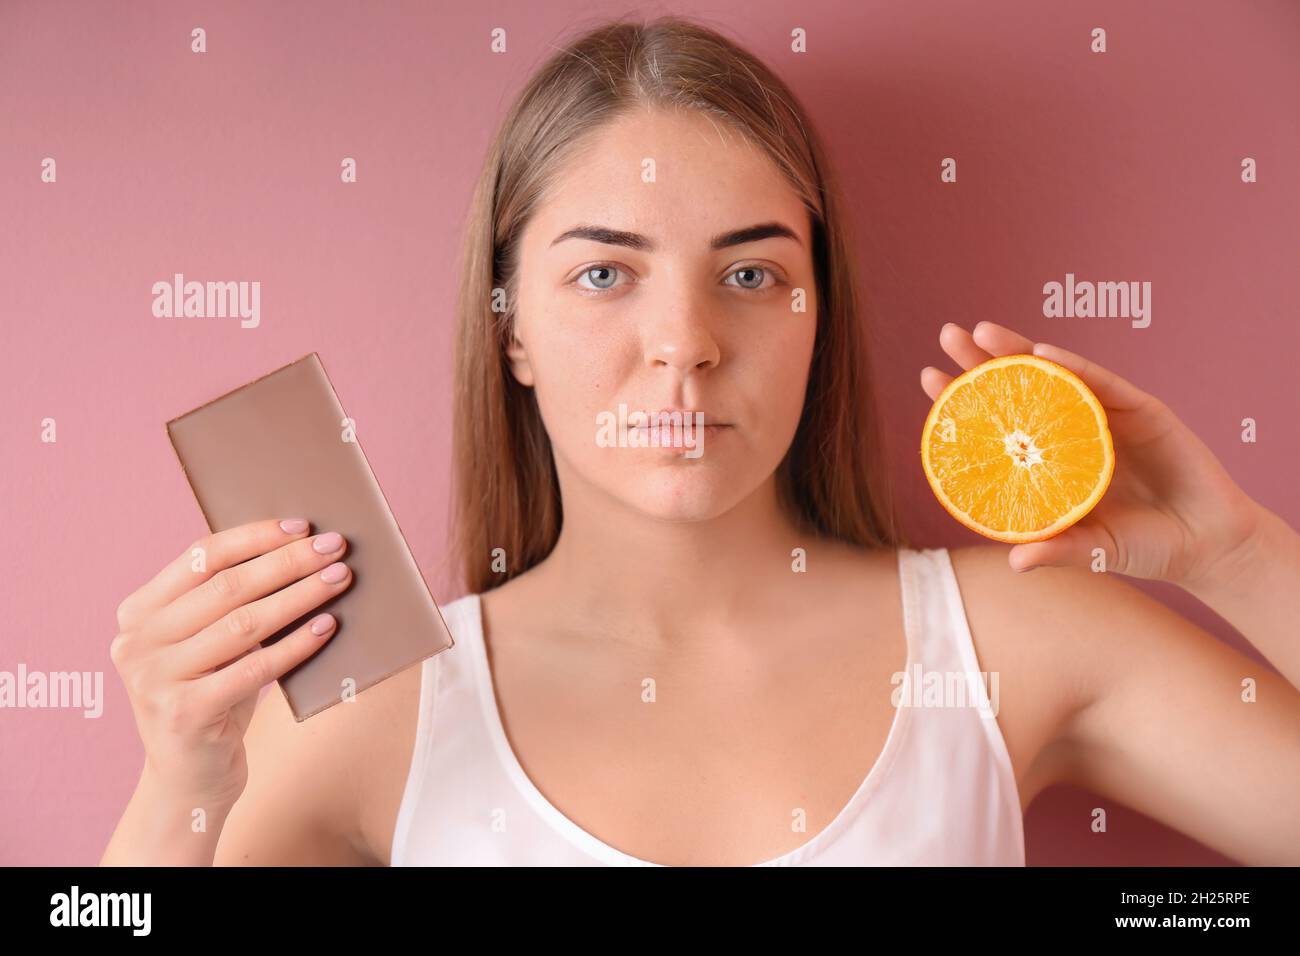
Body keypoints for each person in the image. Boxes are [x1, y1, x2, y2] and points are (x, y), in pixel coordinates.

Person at [102, 16, 1300, 867]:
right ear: (509, 329)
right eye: (604, 273)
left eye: (749, 272)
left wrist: (1240, 554)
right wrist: (178, 786)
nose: (684, 343)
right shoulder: (380, 706)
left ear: (817, 312)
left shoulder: (1009, 635)